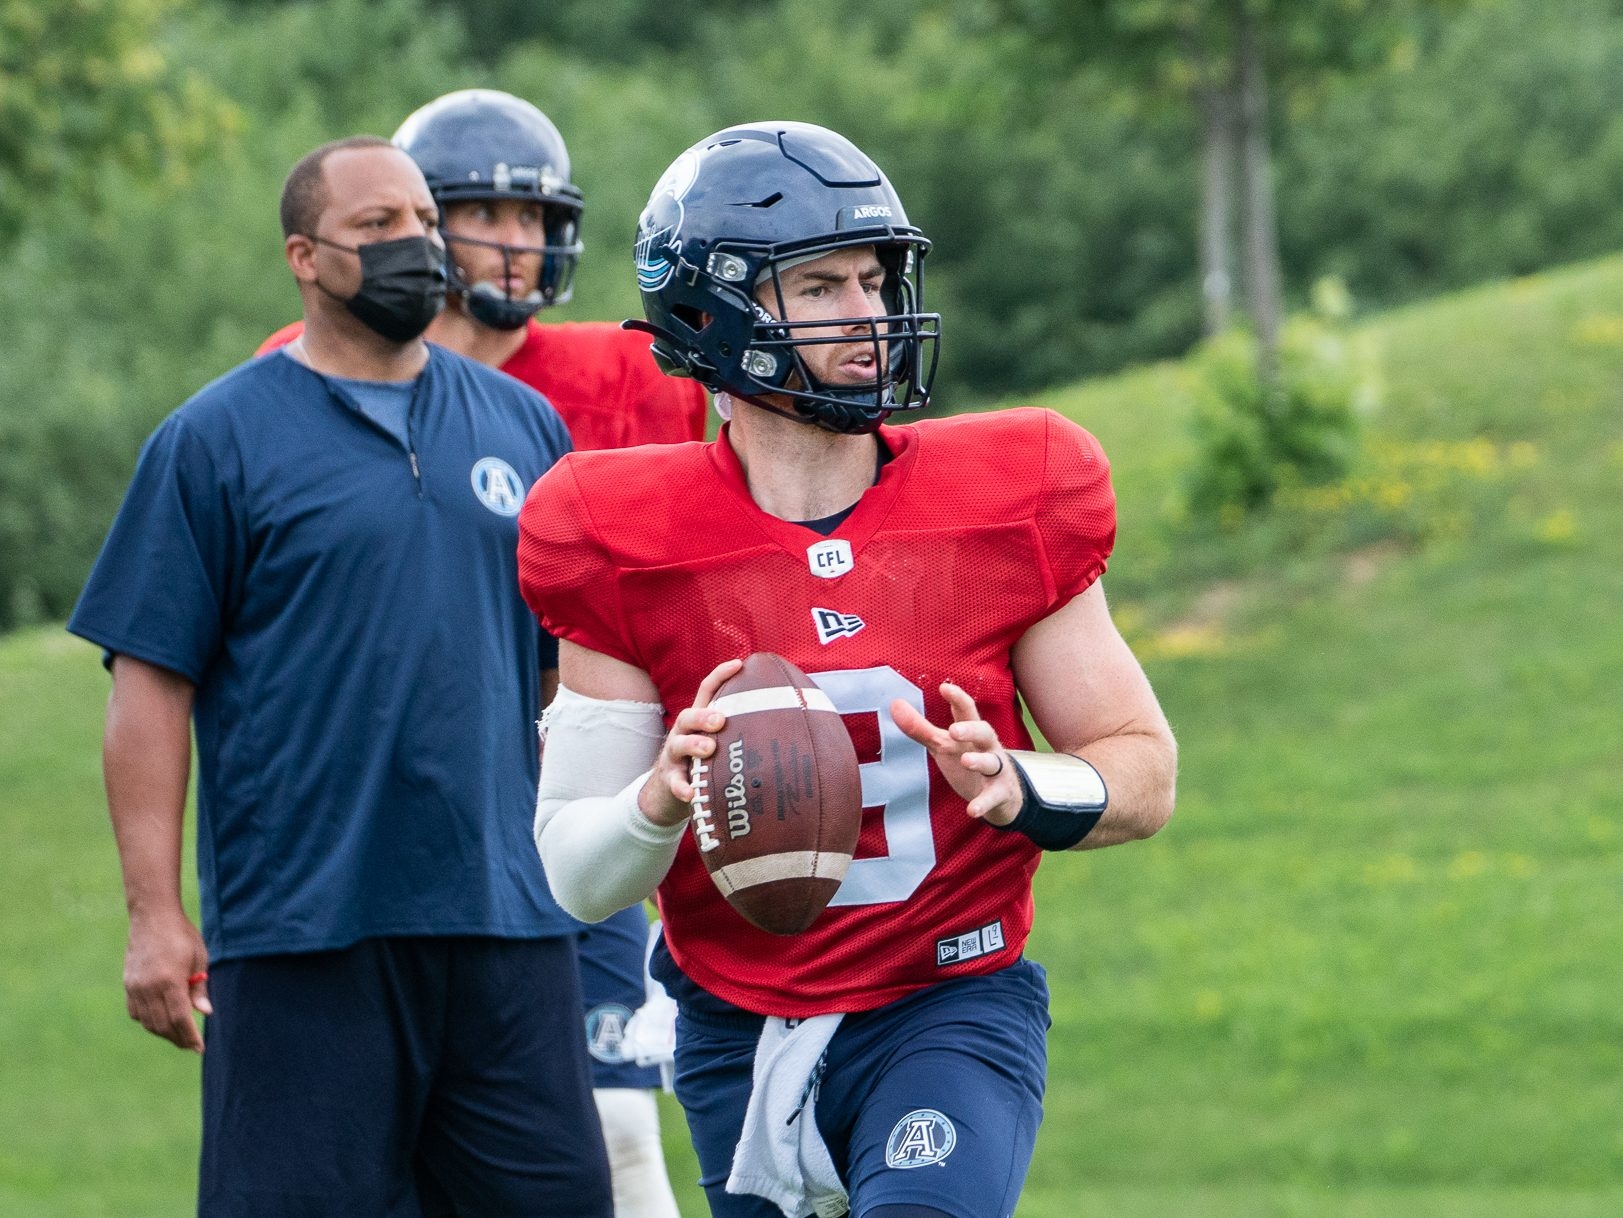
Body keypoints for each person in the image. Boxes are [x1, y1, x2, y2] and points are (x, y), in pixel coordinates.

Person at [516, 121, 1179, 1218]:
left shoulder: (1012, 496)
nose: (870, 313)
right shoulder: (616, 531)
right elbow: (579, 876)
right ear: (710, 312)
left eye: (873, 278)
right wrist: (656, 800)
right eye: (821, 284)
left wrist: (1020, 784)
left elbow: (1143, 769)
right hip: (735, 1027)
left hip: (949, 1002)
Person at [68, 134, 612, 1217]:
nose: (415, 244)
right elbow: (148, 692)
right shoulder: (212, 442)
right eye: (377, 229)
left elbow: (567, 670)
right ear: (305, 259)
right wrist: (153, 917)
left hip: (507, 922)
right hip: (305, 929)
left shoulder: (524, 425)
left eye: (421, 220)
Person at [259, 89, 700, 1218]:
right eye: (489, 214)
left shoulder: (629, 374)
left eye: (535, 217)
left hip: (570, 788)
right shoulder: (302, 380)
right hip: (398, 819)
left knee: (611, 1124)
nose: (520, 243)